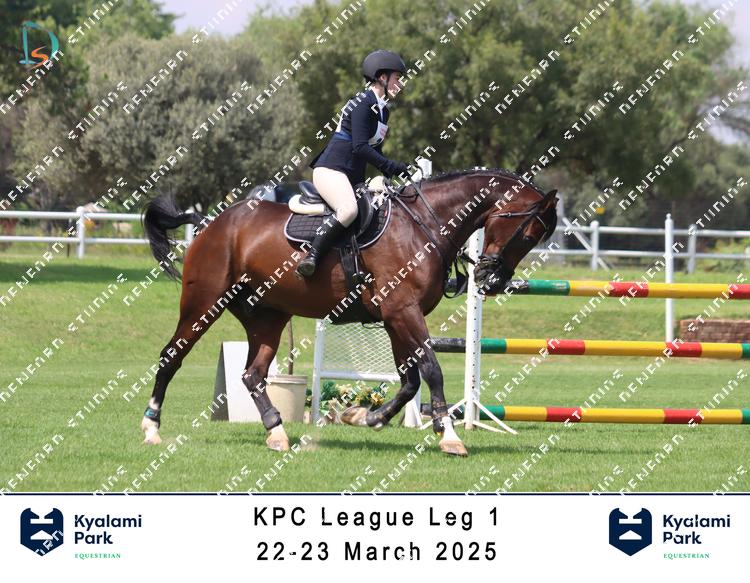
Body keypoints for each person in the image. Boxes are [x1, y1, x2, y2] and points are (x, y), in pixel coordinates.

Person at [295, 49, 411, 279]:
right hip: (331, 170)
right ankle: (311, 257)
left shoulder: (383, 112)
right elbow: (359, 147)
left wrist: (395, 172)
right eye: (398, 78)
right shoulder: (362, 103)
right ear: (382, 77)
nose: (400, 84)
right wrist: (391, 166)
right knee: (348, 210)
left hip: (352, 177)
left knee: (379, 206)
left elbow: (375, 150)